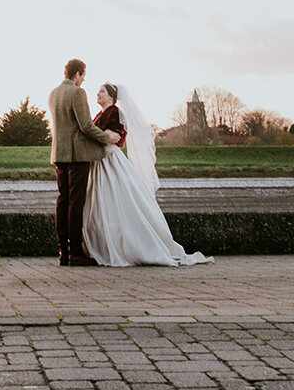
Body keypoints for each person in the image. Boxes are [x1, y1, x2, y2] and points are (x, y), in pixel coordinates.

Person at [83, 81, 212, 267]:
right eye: (98, 91)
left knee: (117, 200)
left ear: (111, 96)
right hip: (99, 162)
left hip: (110, 161)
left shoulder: (116, 113)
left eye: (102, 91)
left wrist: (102, 138)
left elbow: (116, 137)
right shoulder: (100, 114)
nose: (98, 94)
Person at [48, 58, 119, 266]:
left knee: (62, 200)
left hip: (59, 154)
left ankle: (63, 251)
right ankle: (77, 253)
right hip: (77, 155)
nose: (84, 80)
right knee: (75, 202)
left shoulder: (53, 93)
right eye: (83, 75)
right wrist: (107, 138)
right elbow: (86, 126)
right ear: (77, 74)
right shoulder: (77, 93)